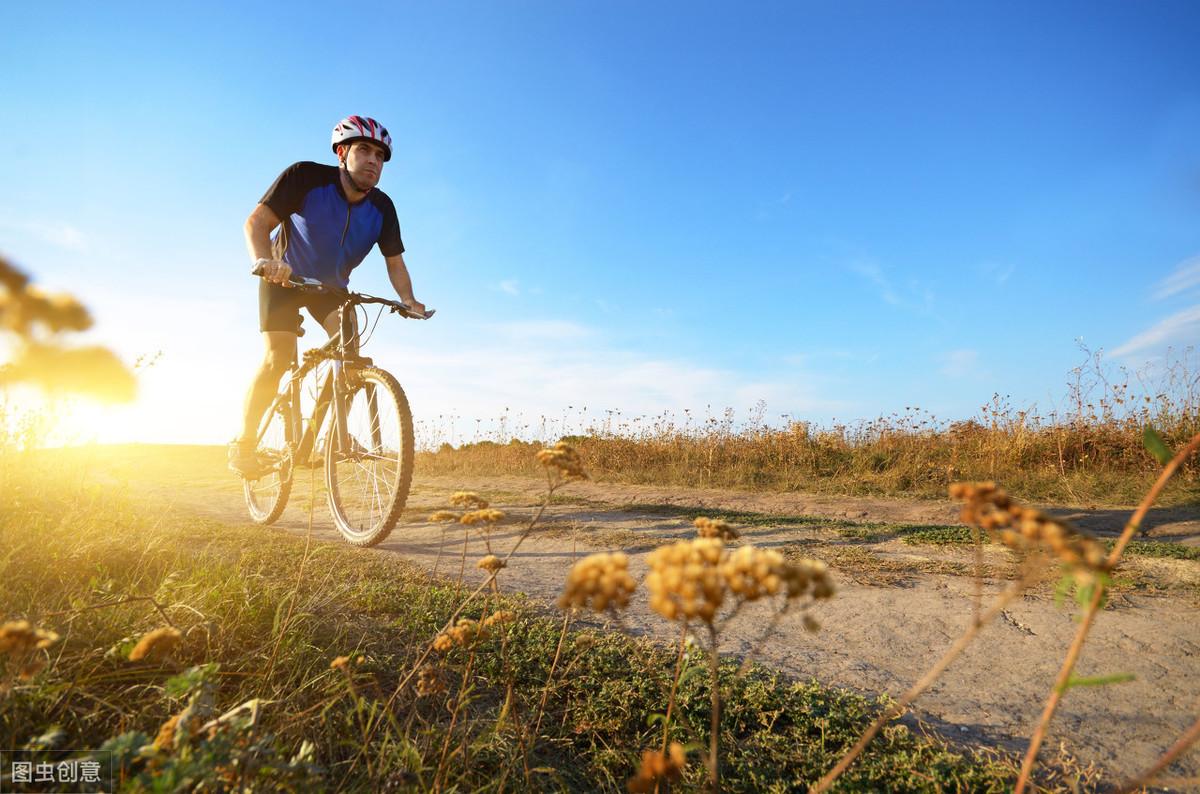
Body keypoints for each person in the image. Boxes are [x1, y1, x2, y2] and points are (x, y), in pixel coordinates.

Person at [229, 115, 426, 477]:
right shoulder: (305, 178)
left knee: (349, 354)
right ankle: (244, 445)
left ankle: (313, 442)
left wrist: (409, 299)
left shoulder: (382, 208)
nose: (373, 161)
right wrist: (263, 261)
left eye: (380, 156)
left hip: (331, 289)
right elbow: (256, 223)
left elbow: (395, 263)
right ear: (341, 153)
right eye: (364, 150)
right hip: (284, 278)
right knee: (278, 358)